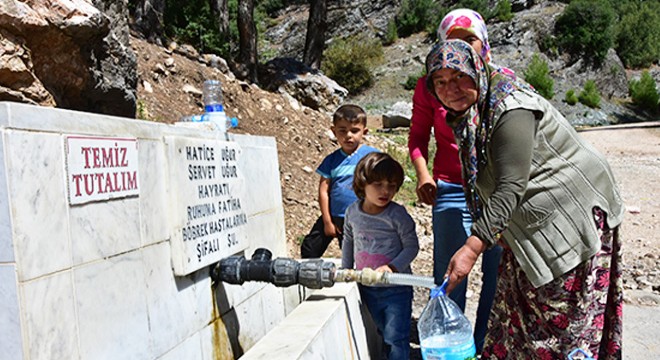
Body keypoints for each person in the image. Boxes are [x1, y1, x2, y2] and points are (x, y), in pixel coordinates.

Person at [426, 39, 624, 359]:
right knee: (513, 315)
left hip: (570, 219)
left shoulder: (510, 106)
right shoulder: (472, 115)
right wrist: (495, 230)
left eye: (460, 76)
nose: (452, 88)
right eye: (441, 81)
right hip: (526, 224)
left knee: (561, 324)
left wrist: (472, 246)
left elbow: (510, 185)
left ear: (477, 71)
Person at [407, 8, 502, 352]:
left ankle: (485, 346)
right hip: (449, 188)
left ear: (484, 43)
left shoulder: (499, 83)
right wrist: (423, 175)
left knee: (498, 276)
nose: (462, 48)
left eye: (470, 40)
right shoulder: (430, 86)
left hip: (496, 194)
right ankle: (451, 347)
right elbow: (417, 137)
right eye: (453, 41)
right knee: (450, 276)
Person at [342, 152, 420, 360]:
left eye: (392, 185)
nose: (386, 191)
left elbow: (411, 247)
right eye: (378, 184)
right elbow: (348, 241)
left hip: (396, 290)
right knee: (381, 333)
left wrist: (392, 268)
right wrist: (345, 270)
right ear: (362, 183)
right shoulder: (352, 213)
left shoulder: (397, 215)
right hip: (367, 288)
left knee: (396, 337)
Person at [300, 104, 379, 258]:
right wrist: (327, 221)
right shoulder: (331, 161)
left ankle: (361, 280)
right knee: (310, 248)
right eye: (342, 131)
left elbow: (383, 185)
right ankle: (311, 279)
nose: (348, 135)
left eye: (354, 131)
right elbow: (323, 190)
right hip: (334, 215)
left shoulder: (372, 157)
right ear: (333, 131)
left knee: (356, 255)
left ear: (365, 131)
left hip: (361, 218)